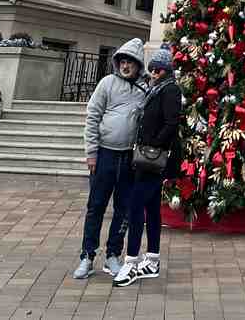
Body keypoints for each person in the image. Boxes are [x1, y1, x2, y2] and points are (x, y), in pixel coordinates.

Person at [73, 38, 147, 280]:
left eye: (131, 63)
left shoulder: (144, 89)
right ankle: (87, 256)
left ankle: (113, 254)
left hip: (128, 158)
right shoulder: (107, 83)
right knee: (95, 207)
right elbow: (92, 117)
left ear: (138, 66)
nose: (126, 66)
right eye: (123, 61)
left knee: (123, 208)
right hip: (104, 154)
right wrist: (91, 152)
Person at [114, 46, 182, 286]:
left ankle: (131, 262)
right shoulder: (156, 90)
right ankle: (152, 259)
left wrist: (152, 146)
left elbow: (172, 123)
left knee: (135, 207)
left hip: (154, 158)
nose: (153, 73)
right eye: (152, 68)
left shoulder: (170, 89)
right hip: (148, 158)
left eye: (158, 69)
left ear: (167, 71)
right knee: (152, 208)